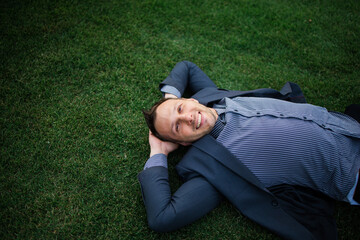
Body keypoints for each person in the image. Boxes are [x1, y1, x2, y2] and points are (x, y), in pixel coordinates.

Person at [138, 61, 360, 240]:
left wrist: (169, 103)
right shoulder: (213, 171)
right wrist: (158, 151)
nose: (187, 117)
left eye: (181, 109)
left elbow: (186, 66)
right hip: (353, 174)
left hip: (349, 125)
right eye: (177, 127)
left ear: (190, 99)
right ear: (183, 143)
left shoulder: (210, 97)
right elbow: (161, 218)